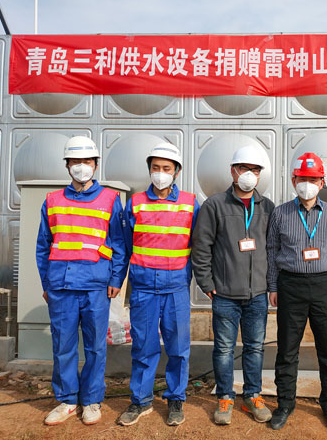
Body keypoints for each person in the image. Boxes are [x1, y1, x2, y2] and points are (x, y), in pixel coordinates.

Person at [36, 136, 127, 426]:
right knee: (63, 345)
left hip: (95, 285)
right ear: (67, 165)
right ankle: (66, 400)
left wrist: (116, 278)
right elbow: (43, 245)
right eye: (75, 161)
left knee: (95, 347)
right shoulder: (52, 200)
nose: (81, 166)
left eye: (86, 161)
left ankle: (91, 400)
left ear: (95, 165)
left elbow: (119, 244)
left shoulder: (110, 199)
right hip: (61, 286)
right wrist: (46, 284)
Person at [267, 152, 327, 433]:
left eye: (313, 180)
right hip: (290, 284)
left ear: (322, 182)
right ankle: (285, 403)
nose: (307, 184)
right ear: (294, 181)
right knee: (287, 349)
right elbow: (272, 251)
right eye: (303, 179)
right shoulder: (280, 213)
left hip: (324, 284)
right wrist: (273, 286)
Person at [191, 145, 275, 426]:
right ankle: (225, 396)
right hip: (225, 294)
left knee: (255, 348)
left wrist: (270, 285)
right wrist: (206, 282)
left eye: (255, 169)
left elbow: (273, 249)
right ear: (233, 171)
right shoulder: (215, 205)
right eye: (244, 168)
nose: (249, 174)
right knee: (224, 349)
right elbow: (202, 247)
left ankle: (252, 395)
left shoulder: (268, 207)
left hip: (257, 294)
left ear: (260, 174)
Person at [118, 143, 199, 427]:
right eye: (155, 168)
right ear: (149, 169)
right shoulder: (135, 202)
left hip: (176, 288)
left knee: (178, 348)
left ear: (177, 171)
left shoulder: (190, 203)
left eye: (166, 168)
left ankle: (176, 399)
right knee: (143, 346)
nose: (160, 173)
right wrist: (118, 280)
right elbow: (124, 246)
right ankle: (141, 400)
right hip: (143, 289)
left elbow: (199, 246)